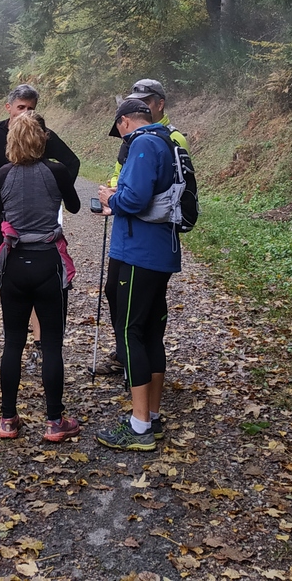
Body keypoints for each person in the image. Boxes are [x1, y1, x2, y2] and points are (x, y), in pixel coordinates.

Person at [0, 84, 80, 352]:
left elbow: (72, 163)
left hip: (37, 221)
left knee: (36, 276)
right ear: (8, 108)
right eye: (21, 107)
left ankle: (38, 340)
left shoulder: (42, 134)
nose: (25, 113)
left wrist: (55, 194)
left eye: (31, 108)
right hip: (3, 218)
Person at [0, 112, 82, 441]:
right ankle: (54, 421)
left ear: (11, 141)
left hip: (14, 265)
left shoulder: (3, 174)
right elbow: (74, 206)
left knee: (13, 342)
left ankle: (8, 420)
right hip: (48, 264)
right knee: (52, 344)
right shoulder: (56, 171)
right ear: (42, 139)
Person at [94, 98, 183, 451]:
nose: (120, 136)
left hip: (138, 253)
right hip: (160, 252)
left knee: (130, 332)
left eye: (119, 129)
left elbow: (135, 200)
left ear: (125, 122)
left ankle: (140, 425)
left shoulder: (143, 144)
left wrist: (110, 198)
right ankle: (153, 417)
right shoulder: (166, 140)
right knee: (151, 333)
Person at [95, 78, 189, 376]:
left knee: (135, 325)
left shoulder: (151, 141)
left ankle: (133, 367)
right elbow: (128, 177)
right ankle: (135, 363)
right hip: (147, 241)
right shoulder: (147, 140)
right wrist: (117, 190)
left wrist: (114, 199)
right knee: (130, 306)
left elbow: (140, 196)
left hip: (141, 243)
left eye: (147, 101)